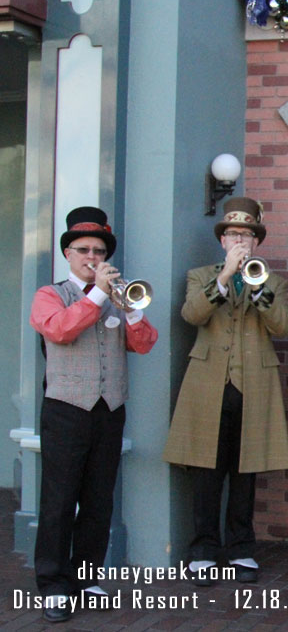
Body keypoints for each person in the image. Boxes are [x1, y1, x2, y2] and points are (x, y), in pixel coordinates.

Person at [30, 206, 158, 623]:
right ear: (67, 253)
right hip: (66, 410)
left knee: (99, 500)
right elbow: (61, 330)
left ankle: (86, 576)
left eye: (99, 251)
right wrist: (99, 294)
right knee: (59, 501)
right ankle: (53, 584)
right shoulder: (49, 294)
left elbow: (143, 345)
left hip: (109, 410)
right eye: (83, 250)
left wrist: (132, 311)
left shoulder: (117, 299)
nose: (92, 257)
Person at [163, 196, 288, 586]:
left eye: (248, 234)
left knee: (245, 469)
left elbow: (283, 326)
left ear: (257, 241)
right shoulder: (200, 275)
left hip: (253, 383)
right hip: (208, 383)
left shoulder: (273, 280)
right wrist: (223, 280)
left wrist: (257, 290)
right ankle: (203, 549)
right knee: (205, 468)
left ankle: (241, 548)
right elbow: (192, 315)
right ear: (223, 241)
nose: (241, 240)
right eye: (234, 233)